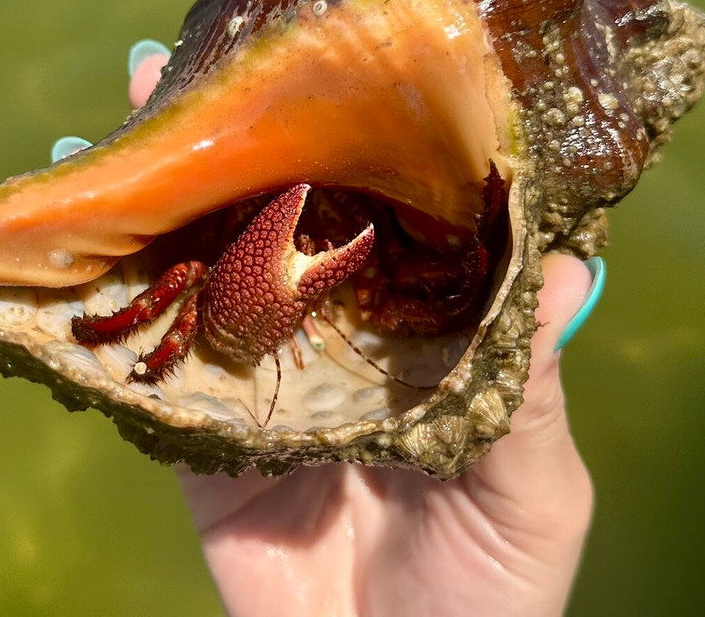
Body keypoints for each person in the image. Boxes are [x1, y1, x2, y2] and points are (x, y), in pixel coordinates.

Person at [64, 44, 602, 616]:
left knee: (459, 280)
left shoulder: (371, 275)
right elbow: (182, 281)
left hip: (341, 271)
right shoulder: (233, 260)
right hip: (240, 255)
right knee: (183, 282)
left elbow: (442, 289)